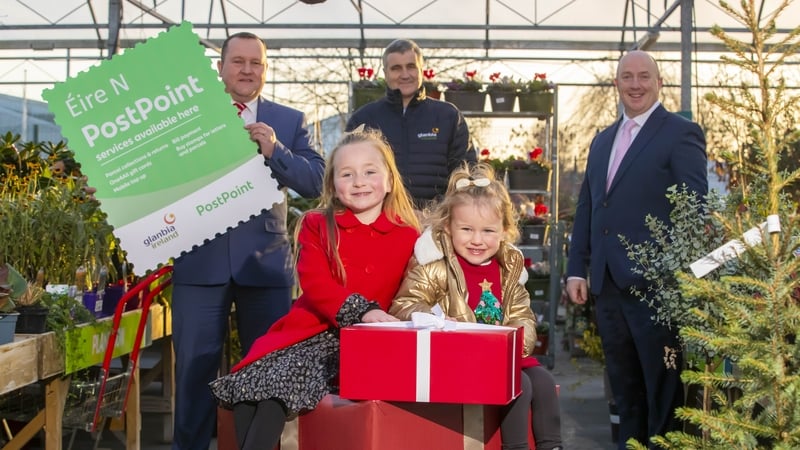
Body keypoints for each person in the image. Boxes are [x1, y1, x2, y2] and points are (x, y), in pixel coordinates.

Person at [209, 127, 421, 450]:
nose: (359, 182)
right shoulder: (316, 225)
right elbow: (316, 283)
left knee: (272, 396)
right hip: (306, 333)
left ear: (390, 180)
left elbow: (419, 290)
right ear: (333, 186)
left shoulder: (409, 236)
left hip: (355, 345)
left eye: (369, 172)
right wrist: (362, 310)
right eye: (347, 174)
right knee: (247, 393)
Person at [170, 32, 325, 450]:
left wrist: (276, 150)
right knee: (193, 374)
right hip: (199, 264)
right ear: (220, 68)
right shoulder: (188, 118)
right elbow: (157, 172)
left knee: (267, 372)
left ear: (265, 69)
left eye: (255, 62)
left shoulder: (289, 121)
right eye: (237, 61)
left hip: (265, 264)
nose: (246, 69)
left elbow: (315, 182)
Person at [565, 50, 708, 449]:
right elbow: (589, 208)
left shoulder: (680, 133)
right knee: (625, 394)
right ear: (617, 84)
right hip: (608, 287)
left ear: (659, 82)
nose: (636, 84)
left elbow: (694, 209)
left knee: (663, 392)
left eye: (644, 76)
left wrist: (673, 274)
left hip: (657, 290)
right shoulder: (602, 141)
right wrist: (578, 269)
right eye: (627, 77)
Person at [391, 162, 563, 450]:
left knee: (543, 380)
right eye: (467, 229)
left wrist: (517, 338)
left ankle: (552, 445)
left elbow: (523, 314)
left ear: (504, 231)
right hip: (459, 355)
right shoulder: (435, 267)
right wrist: (437, 320)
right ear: (448, 226)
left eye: (488, 231)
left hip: (501, 355)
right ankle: (515, 446)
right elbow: (404, 304)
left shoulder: (508, 271)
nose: (477, 240)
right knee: (521, 384)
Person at [345, 38, 476, 209]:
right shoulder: (364, 118)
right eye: (396, 68)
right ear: (385, 73)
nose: (405, 75)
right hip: (379, 222)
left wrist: (439, 215)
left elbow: (465, 173)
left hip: (435, 223)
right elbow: (346, 172)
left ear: (422, 69)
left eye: (411, 66)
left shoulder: (448, 116)